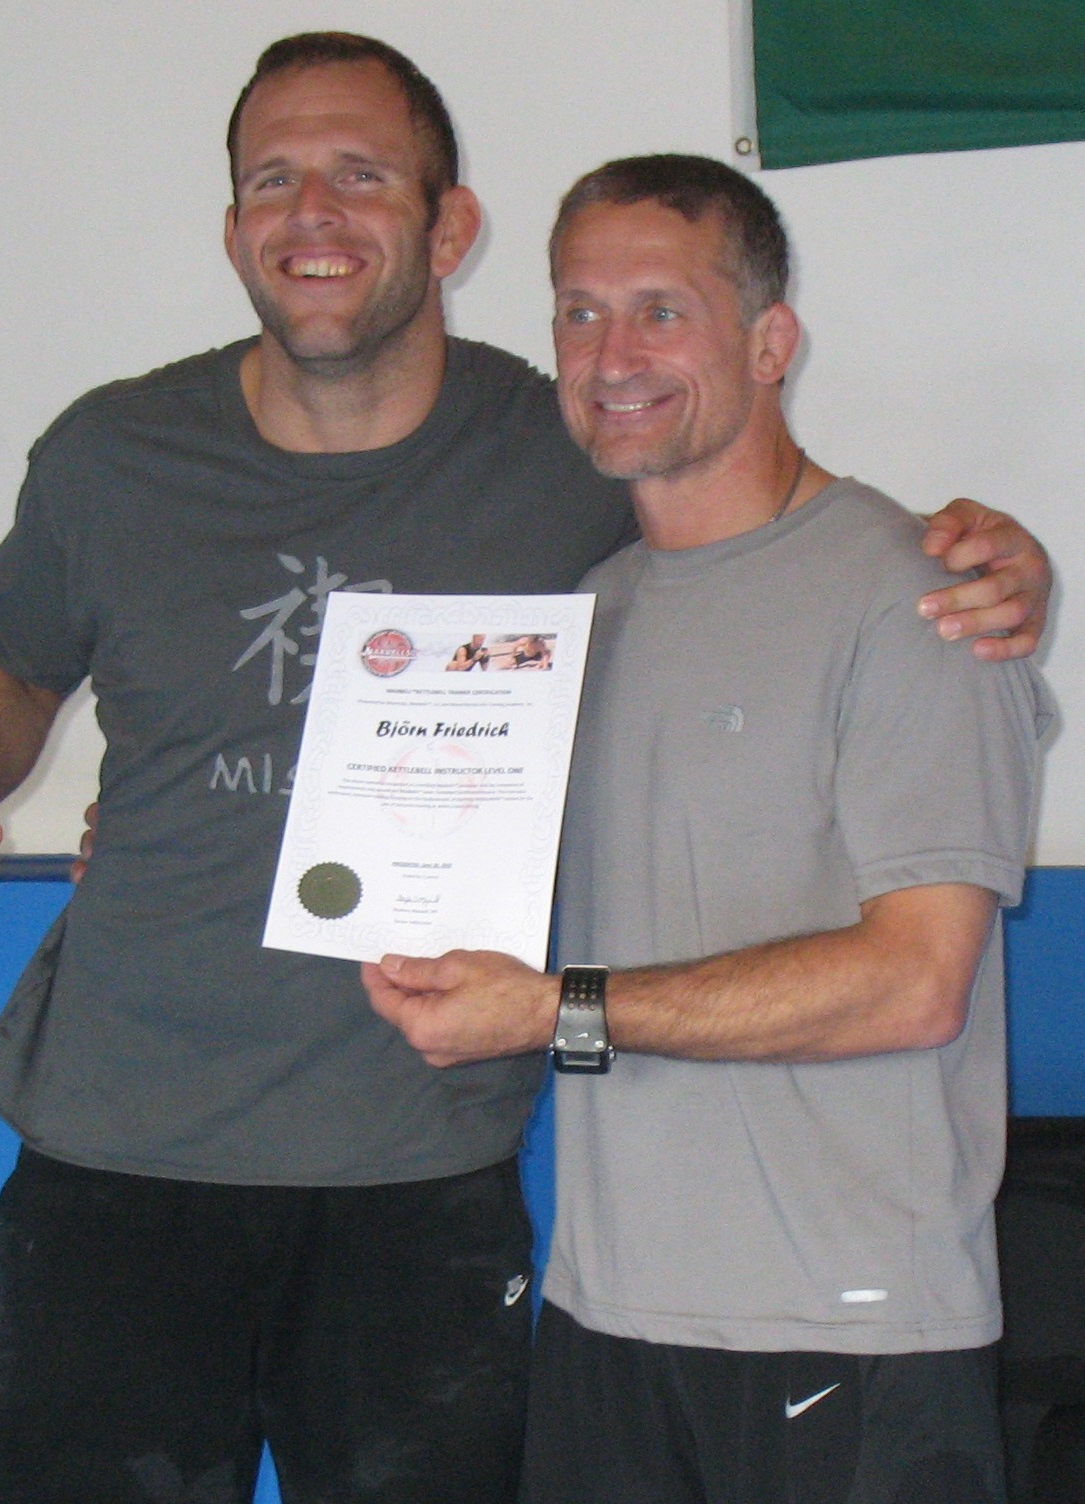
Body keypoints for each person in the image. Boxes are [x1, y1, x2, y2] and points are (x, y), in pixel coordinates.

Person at [0, 30, 1047, 1504]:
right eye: (273, 180)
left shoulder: (571, 449)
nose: (313, 213)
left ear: (450, 228)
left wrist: (990, 557)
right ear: (233, 228)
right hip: (118, 1159)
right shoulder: (114, 455)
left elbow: (775, 529)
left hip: (420, 1179)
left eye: (361, 175)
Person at [363, 154, 1051, 1504]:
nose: (612, 354)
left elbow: (916, 983)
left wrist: (552, 1011)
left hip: (852, 1331)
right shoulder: (578, 620)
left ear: (770, 341)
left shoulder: (923, 599)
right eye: (579, 312)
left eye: (661, 310)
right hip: (606, 1319)